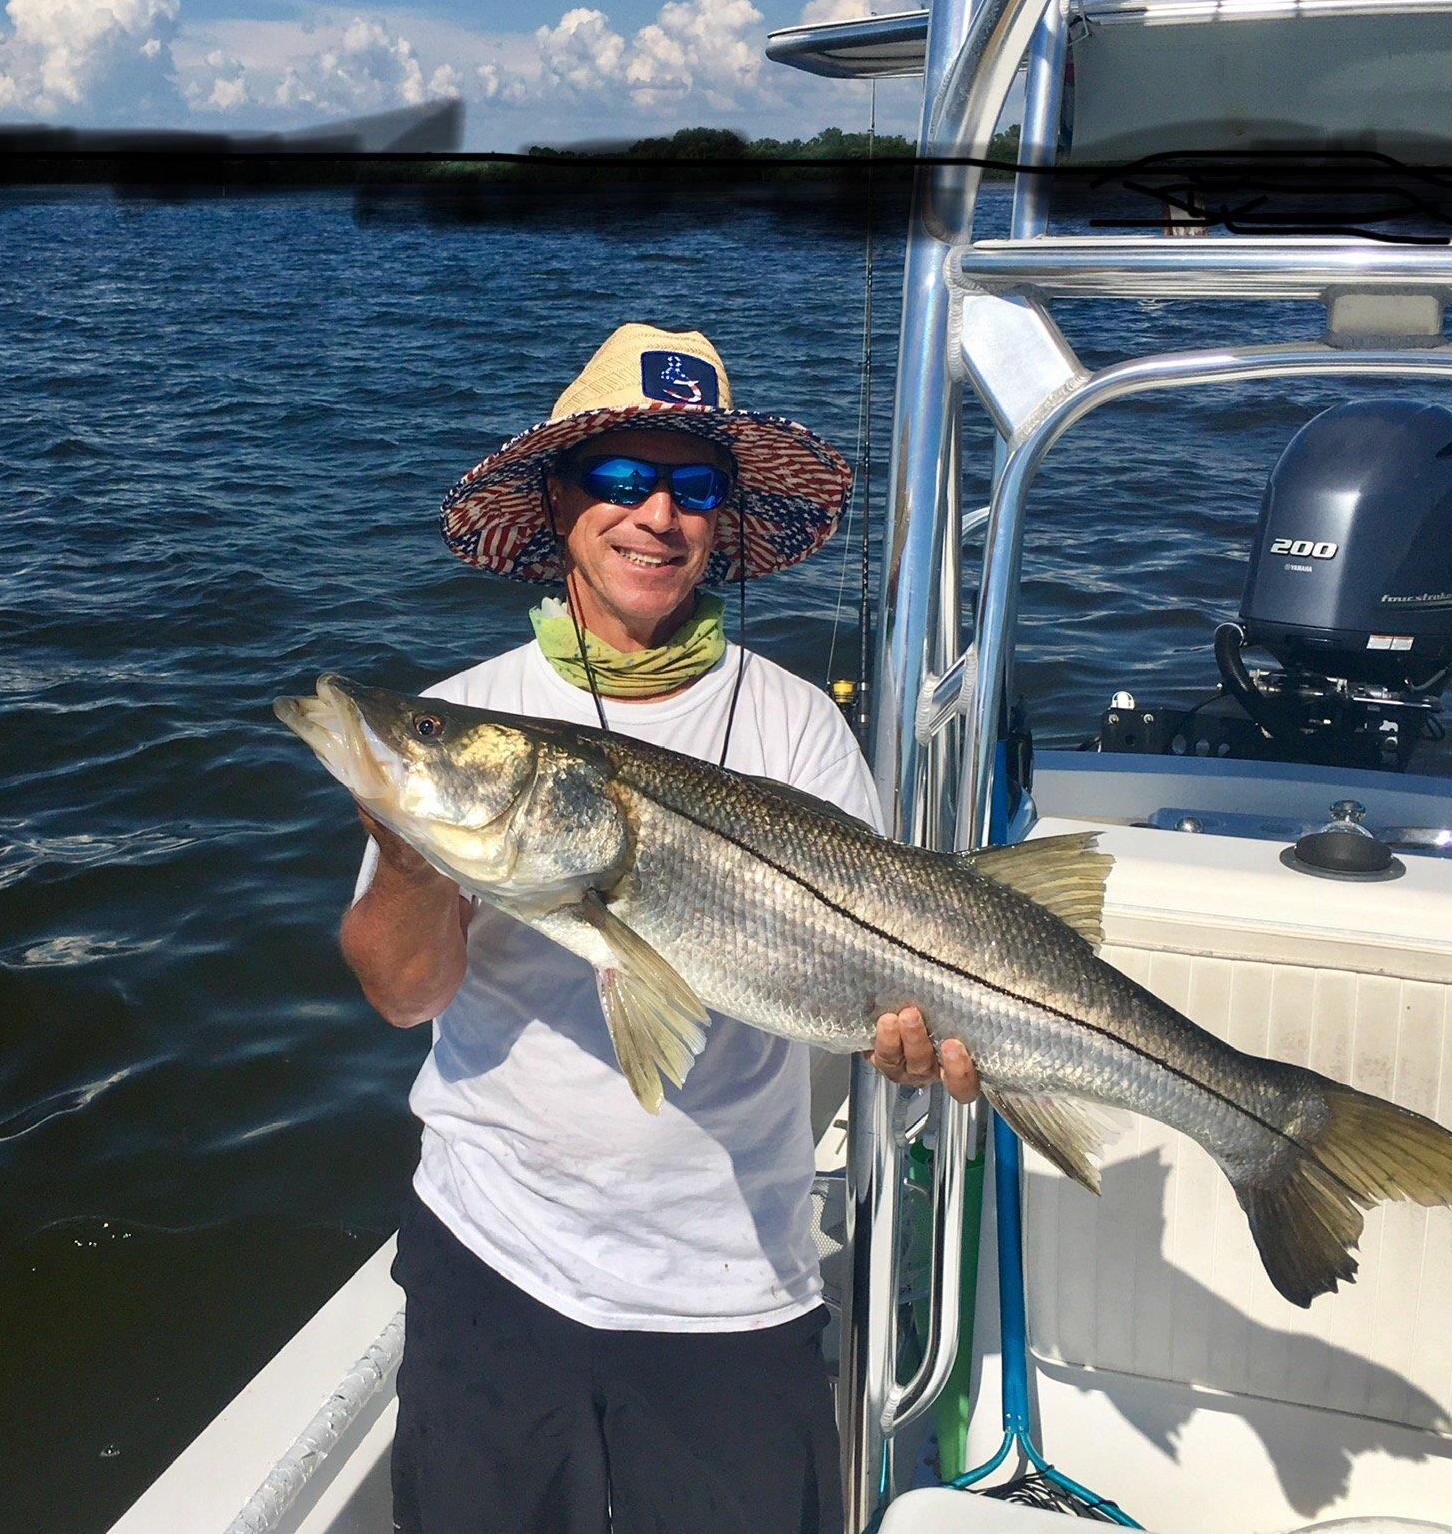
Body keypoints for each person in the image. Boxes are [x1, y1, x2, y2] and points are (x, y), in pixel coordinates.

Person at [340, 323, 979, 1534]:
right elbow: (401, 995)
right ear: (559, 504)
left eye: (692, 486)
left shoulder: (795, 729)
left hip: (731, 1286)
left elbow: (870, 995)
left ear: (723, 519)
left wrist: (898, 1042)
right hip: (493, 1261)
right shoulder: (470, 719)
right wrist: (407, 844)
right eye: (620, 479)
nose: (656, 516)